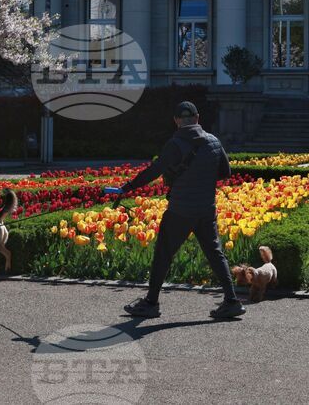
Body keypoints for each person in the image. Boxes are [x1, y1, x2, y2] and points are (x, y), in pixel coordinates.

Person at [105, 102, 245, 320]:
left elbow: (154, 170)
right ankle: (232, 301)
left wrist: (127, 188)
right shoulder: (214, 141)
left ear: (176, 120)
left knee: (163, 254)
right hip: (206, 209)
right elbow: (225, 172)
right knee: (215, 253)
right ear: (198, 118)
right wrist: (202, 180)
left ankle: (151, 303)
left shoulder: (176, 143)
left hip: (180, 209)